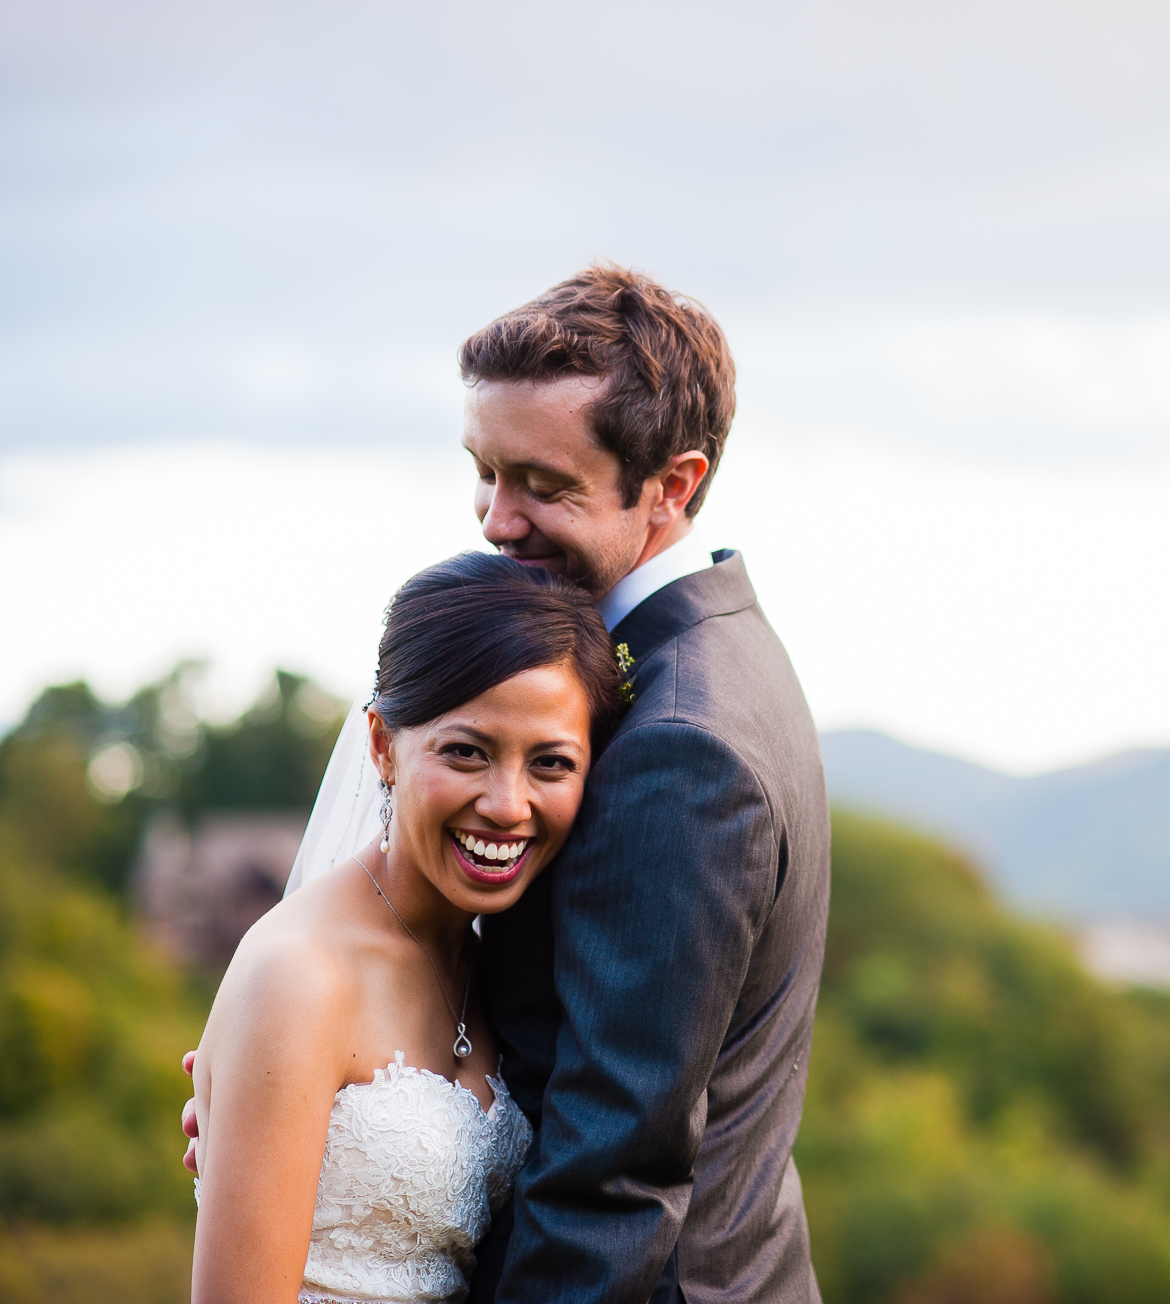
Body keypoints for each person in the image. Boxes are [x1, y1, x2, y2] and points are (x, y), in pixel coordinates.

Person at [187, 264, 831, 1303]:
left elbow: (610, 1174)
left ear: (670, 484)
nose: (496, 518)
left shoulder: (681, 740)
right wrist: (293, 1097)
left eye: (543, 484)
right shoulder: (720, 649)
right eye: (484, 472)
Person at [189, 553, 624, 1304]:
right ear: (384, 746)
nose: (507, 805)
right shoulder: (298, 976)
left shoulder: (505, 961)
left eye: (551, 764)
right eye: (466, 752)